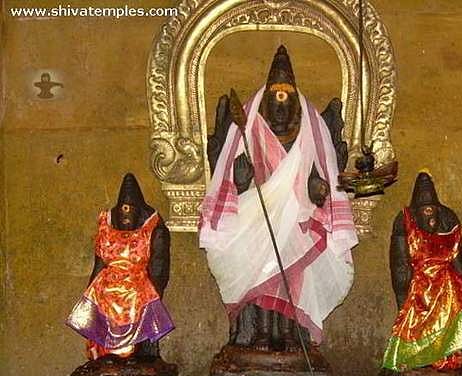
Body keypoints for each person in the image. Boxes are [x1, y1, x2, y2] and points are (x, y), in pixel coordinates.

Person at [200, 45, 358, 351]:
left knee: (292, 272)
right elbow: (233, 181)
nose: (280, 112)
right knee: (260, 268)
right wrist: (241, 181)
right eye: (275, 104)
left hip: (297, 217)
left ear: (296, 107)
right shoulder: (250, 133)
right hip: (257, 216)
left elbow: (317, 178)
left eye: (286, 104)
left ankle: (289, 334)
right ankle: (260, 332)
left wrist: (318, 190)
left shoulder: (308, 134)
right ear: (266, 106)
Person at [383, 171, 462, 371]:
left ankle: (442, 353)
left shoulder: (448, 218)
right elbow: (400, 265)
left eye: (432, 212)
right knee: (415, 319)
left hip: (444, 284)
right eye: (425, 212)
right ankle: (416, 355)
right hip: (418, 281)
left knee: (446, 316)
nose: (430, 218)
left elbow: (459, 260)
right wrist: (404, 297)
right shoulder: (404, 220)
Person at [66, 173, 174, 360]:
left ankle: (133, 351)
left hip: (136, 285)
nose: (126, 218)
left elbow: (159, 268)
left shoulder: (153, 229)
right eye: (122, 213)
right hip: (107, 285)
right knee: (101, 299)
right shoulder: (106, 227)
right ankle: (105, 352)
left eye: (130, 213)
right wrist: (89, 295)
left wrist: (154, 294)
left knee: (134, 299)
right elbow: (99, 264)